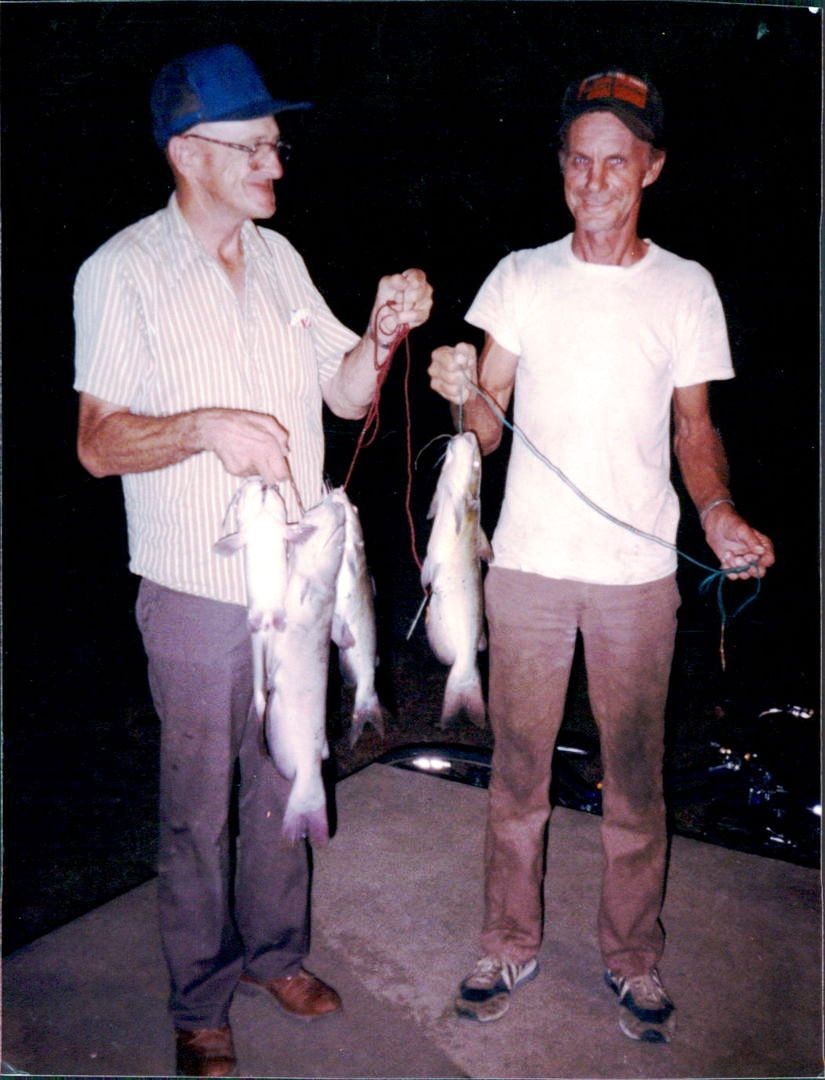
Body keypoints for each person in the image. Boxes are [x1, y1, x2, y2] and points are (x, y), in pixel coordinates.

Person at [74, 43, 432, 1077]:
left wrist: (382, 332)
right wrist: (204, 427)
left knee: (287, 774)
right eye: (255, 147)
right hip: (196, 588)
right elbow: (97, 443)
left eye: (277, 144)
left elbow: (347, 394)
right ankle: (198, 999)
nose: (276, 163)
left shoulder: (280, 260)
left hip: (299, 578)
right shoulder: (121, 271)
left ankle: (276, 954)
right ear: (188, 152)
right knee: (198, 808)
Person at [428, 69, 774, 1043]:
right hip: (527, 568)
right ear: (561, 167)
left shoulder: (685, 288)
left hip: (636, 579)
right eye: (578, 162)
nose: (594, 182)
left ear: (651, 168)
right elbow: (484, 424)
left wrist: (717, 513)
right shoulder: (521, 276)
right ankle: (507, 941)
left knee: (635, 780)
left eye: (615, 163)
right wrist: (461, 386)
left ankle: (631, 957)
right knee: (517, 777)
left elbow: (694, 428)